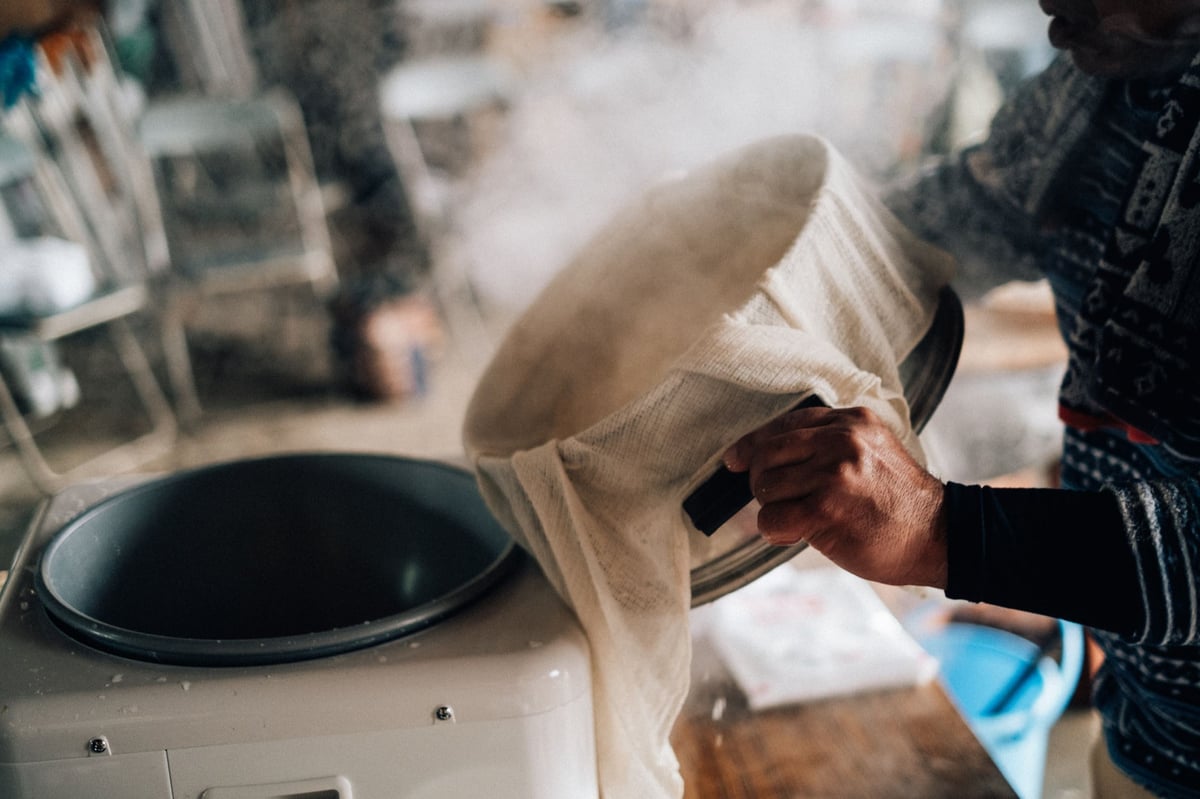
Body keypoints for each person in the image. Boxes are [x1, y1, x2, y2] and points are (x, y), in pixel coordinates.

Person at [723, 2, 1200, 797]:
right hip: (1146, 733)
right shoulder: (1105, 76)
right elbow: (931, 232)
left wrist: (941, 529)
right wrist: (743, 281)